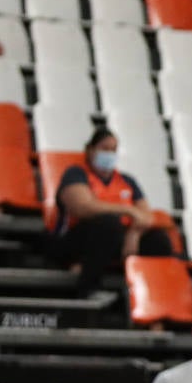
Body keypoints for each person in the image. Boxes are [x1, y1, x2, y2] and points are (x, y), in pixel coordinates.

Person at [51, 126, 174, 295]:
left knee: (158, 240)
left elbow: (146, 216)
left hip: (117, 240)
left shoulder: (126, 180)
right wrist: (127, 210)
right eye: (104, 149)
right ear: (90, 149)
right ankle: (87, 289)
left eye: (113, 150)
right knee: (109, 224)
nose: (109, 154)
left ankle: (152, 299)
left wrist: (134, 234)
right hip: (74, 240)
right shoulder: (76, 174)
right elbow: (82, 207)